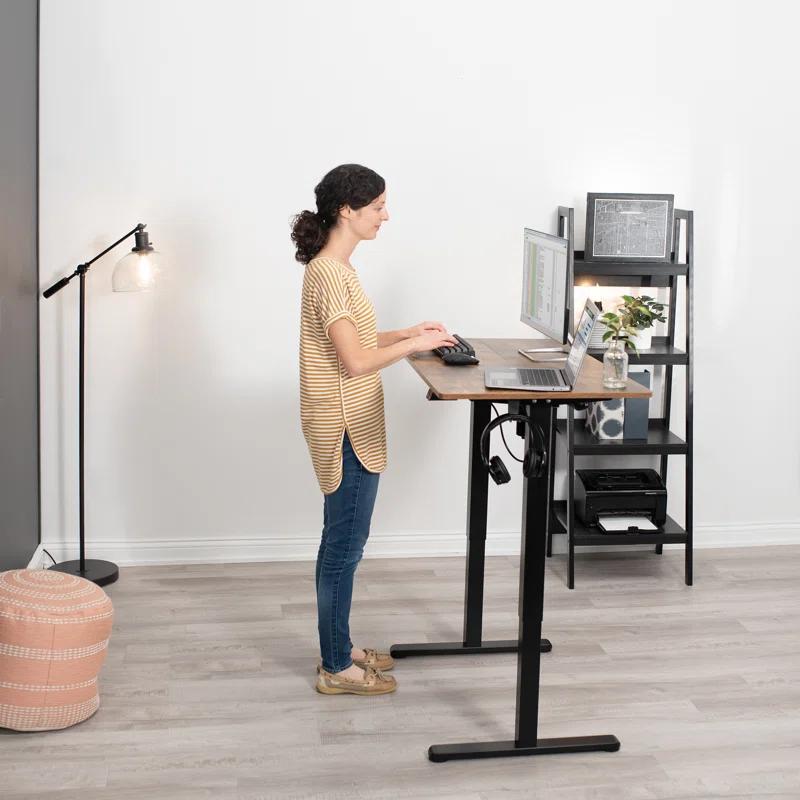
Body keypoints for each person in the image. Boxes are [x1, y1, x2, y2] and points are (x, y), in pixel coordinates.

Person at [292, 164, 457, 696]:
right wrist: (413, 347)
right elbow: (357, 361)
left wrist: (409, 331)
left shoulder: (335, 270)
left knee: (341, 542)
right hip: (346, 425)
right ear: (348, 210)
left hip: (345, 419)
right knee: (343, 546)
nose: (387, 215)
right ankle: (337, 667)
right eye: (378, 206)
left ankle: (338, 648)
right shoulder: (331, 273)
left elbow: (357, 337)